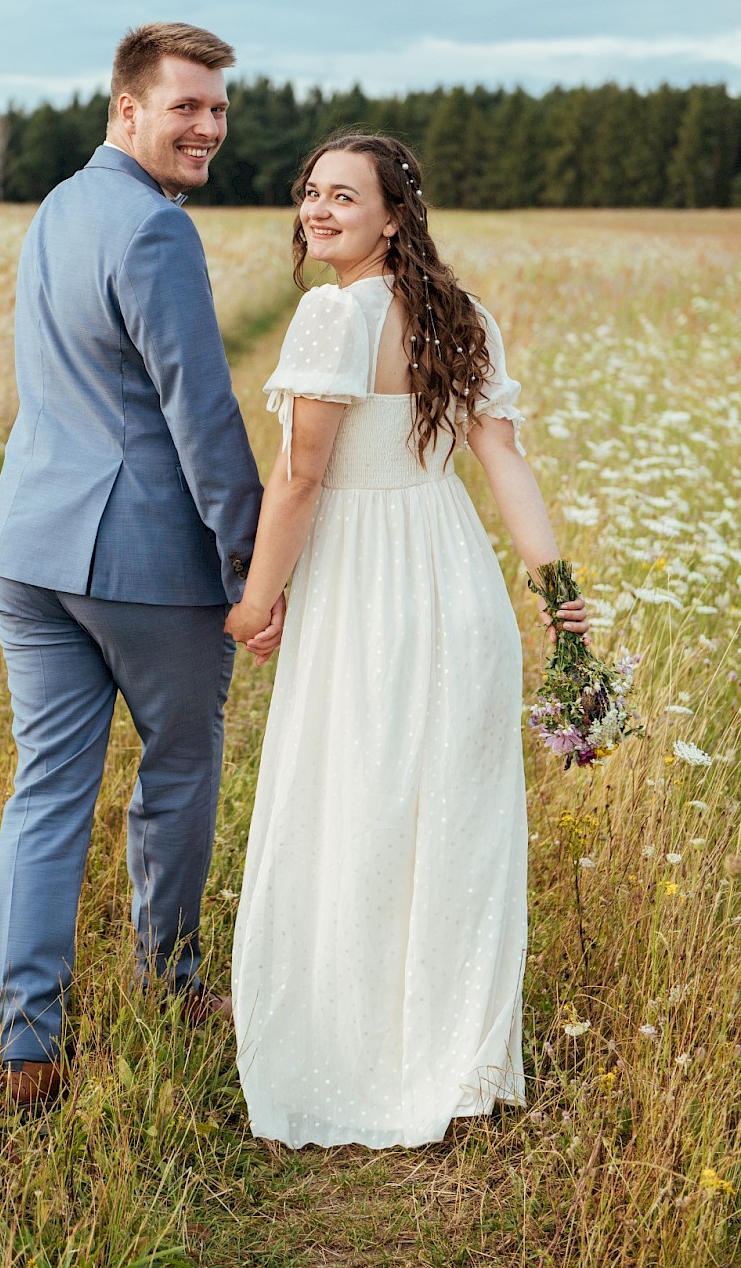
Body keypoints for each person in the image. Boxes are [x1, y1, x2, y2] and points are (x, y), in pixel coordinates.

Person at [228, 133, 588, 1149]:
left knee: (352, 801)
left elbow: (300, 478)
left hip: (364, 585)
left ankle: (354, 1052)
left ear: (393, 214)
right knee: (442, 816)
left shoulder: (331, 314)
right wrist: (547, 576)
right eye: (309, 193)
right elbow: (502, 462)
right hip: (451, 573)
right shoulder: (458, 314)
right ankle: (443, 1053)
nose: (317, 209)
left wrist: (256, 602)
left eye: (343, 195)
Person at [0, 22, 282, 1109]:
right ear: (127, 109)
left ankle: (27, 1042)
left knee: (47, 786)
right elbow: (199, 414)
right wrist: (254, 571)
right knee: (178, 771)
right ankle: (171, 979)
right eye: (185, 107)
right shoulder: (155, 231)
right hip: (142, 560)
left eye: (217, 109)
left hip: (30, 545)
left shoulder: (62, 204)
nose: (206, 127)